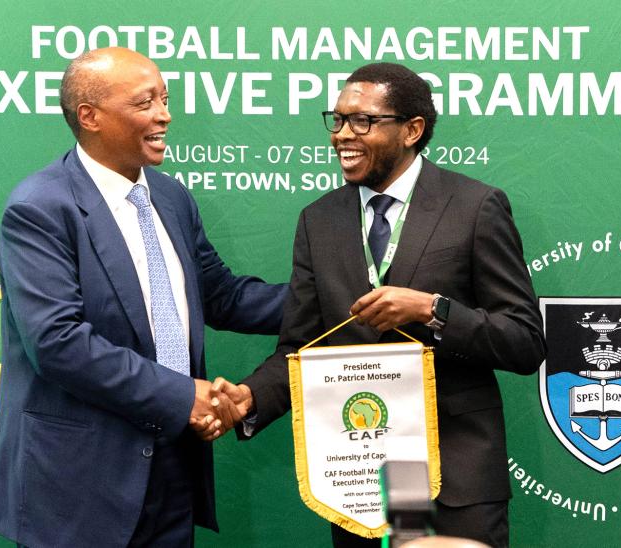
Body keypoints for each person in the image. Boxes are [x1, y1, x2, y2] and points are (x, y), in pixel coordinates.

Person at [210, 63, 546, 547]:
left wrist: (433, 310)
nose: (343, 135)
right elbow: (300, 348)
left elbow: (524, 341)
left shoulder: (476, 207)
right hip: (360, 480)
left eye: (363, 121)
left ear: (413, 129)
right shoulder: (319, 221)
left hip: (456, 475)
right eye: (338, 120)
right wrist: (249, 398)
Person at [0, 47, 287, 548]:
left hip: (173, 466)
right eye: (146, 102)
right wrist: (182, 395)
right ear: (91, 117)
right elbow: (58, 343)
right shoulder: (40, 207)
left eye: (165, 100)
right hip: (78, 485)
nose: (165, 115)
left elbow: (224, 297)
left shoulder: (170, 197)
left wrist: (342, 302)